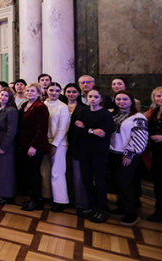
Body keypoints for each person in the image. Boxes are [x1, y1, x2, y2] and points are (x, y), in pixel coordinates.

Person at [73, 88, 114, 223]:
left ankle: (101, 208)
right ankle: (91, 206)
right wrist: (91, 130)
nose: (93, 99)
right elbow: (76, 130)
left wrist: (85, 129)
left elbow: (102, 133)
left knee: (100, 179)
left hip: (99, 151)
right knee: (86, 179)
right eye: (90, 96)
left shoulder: (105, 114)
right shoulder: (83, 112)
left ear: (101, 99)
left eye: (96, 97)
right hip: (84, 150)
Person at [108, 90, 148, 226]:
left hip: (127, 155)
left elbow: (140, 138)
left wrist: (129, 154)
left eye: (125, 99)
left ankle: (132, 213)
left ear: (131, 101)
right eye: (118, 99)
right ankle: (123, 206)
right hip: (112, 153)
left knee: (123, 182)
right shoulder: (113, 114)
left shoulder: (138, 117)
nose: (121, 102)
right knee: (115, 182)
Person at [18, 83, 50, 211]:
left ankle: (36, 201)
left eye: (32, 91)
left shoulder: (40, 107)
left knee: (34, 174)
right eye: (28, 91)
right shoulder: (25, 105)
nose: (29, 93)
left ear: (38, 93)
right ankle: (32, 198)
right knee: (29, 173)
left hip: (35, 146)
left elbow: (42, 129)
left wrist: (34, 146)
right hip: (24, 143)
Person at [41, 82, 71, 212]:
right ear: (47, 91)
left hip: (59, 143)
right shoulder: (43, 105)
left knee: (57, 172)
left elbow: (62, 128)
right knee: (45, 171)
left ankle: (60, 200)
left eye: (57, 90)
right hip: (43, 142)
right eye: (51, 90)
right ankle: (47, 195)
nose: (53, 93)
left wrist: (54, 144)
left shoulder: (62, 107)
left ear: (60, 93)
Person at [146, 86, 162, 223]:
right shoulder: (154, 111)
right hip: (157, 154)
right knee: (159, 184)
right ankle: (160, 211)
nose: (161, 99)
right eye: (158, 96)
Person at [64, 83, 89, 214]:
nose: (71, 94)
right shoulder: (61, 106)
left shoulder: (84, 108)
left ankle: (81, 203)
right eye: (68, 91)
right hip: (62, 143)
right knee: (65, 173)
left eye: (74, 92)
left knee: (78, 176)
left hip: (78, 144)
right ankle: (69, 199)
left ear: (78, 93)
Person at [0, 88, 18, 205]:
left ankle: (7, 195)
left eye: (6, 96)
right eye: (1, 94)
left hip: (6, 144)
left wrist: (4, 146)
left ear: (10, 98)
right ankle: (1, 193)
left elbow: (11, 131)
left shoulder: (11, 110)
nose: (3, 97)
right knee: (0, 170)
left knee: (6, 170)